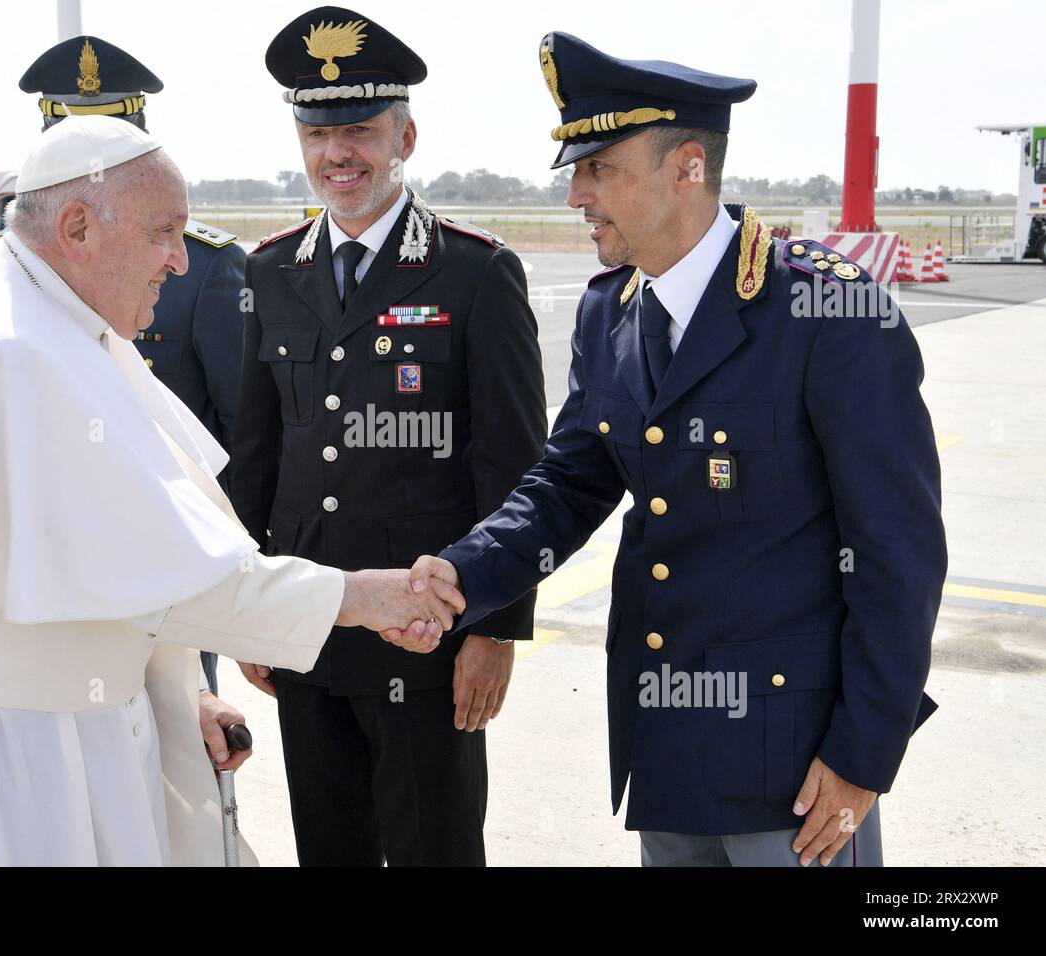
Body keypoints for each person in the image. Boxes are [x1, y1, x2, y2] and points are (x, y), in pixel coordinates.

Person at [0, 115, 460, 867]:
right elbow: (165, 575)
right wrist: (362, 598)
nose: (180, 262)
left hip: (37, 720)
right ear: (76, 227)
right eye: (165, 232)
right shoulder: (9, 347)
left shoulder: (51, 309)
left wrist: (179, 693)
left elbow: (124, 563)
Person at [398, 32, 946, 867]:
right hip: (667, 746)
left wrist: (864, 757)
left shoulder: (826, 313)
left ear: (687, 165)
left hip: (796, 767)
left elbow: (896, 553)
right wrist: (466, 571)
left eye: (601, 168)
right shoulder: (608, 311)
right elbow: (571, 481)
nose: (577, 194)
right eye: (576, 172)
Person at [229, 7, 547, 866]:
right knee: (328, 848)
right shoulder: (270, 271)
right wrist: (251, 612)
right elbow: (259, 456)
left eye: (362, 130)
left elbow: (515, 469)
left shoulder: (474, 271)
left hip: (425, 627)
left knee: (429, 850)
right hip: (307, 619)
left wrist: (496, 628)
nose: (340, 152)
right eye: (319, 130)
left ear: (407, 135)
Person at [20, 34, 249, 692]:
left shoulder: (201, 267)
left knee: (185, 760)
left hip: (167, 574)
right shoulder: (8, 272)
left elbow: (241, 433)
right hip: (50, 582)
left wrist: (228, 578)